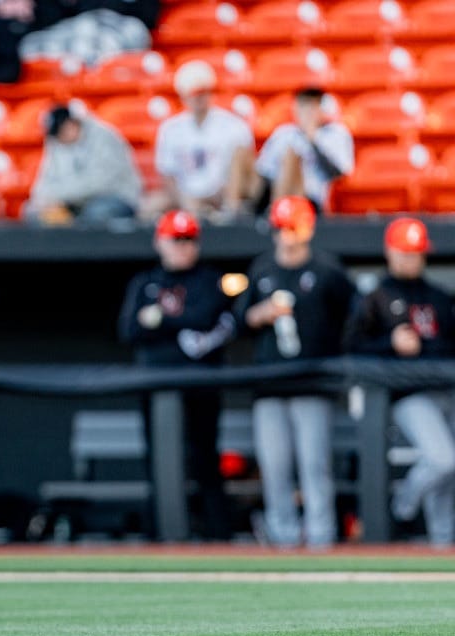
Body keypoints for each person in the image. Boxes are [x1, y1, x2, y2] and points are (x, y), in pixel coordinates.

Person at [235, 195, 357, 549]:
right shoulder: (262, 269)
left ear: (307, 229)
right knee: (274, 466)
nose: (287, 235)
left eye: (293, 227)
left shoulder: (327, 270)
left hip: (313, 382)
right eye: (281, 228)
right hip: (270, 383)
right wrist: (258, 315)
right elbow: (240, 319)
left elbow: (354, 317)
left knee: (314, 464)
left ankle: (320, 536)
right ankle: (282, 536)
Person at [118, 209, 237, 540]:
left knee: (204, 459)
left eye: (189, 240)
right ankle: (159, 535)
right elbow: (129, 330)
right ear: (160, 242)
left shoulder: (209, 279)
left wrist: (159, 320)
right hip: (154, 386)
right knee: (159, 461)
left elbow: (204, 317)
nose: (183, 247)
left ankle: (217, 536)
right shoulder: (145, 282)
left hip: (200, 385)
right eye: (176, 240)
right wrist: (172, 324)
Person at [343, 217, 455, 547]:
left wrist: (422, 345)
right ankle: (401, 507)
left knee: (450, 472)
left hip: (445, 389)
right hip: (405, 393)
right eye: (405, 252)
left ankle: (443, 540)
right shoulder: (375, 295)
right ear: (390, 251)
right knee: (443, 459)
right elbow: (353, 345)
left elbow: (449, 342)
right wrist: (391, 343)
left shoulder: (438, 295)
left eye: (416, 252)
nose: (411, 259)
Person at [142, 59, 255, 224]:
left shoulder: (233, 125)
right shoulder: (170, 129)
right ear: (183, 96)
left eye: (202, 93)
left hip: (224, 196)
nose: (198, 100)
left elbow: (245, 172)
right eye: (193, 95)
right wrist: (185, 202)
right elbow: (167, 176)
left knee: (235, 202)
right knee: (149, 207)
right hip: (184, 197)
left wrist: (219, 197)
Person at [225, 86, 354, 216]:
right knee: (240, 152)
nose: (306, 111)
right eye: (302, 105)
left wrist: (312, 139)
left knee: (291, 156)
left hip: (309, 196)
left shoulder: (335, 133)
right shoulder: (283, 132)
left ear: (321, 109)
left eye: (311, 106)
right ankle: (232, 212)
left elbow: (338, 173)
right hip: (271, 189)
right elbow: (263, 169)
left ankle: (277, 213)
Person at [23, 102, 142, 228]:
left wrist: (59, 196)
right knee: (32, 211)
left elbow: (99, 183)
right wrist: (45, 200)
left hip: (116, 198)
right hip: (73, 203)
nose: (59, 137)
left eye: (61, 131)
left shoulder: (104, 137)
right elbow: (42, 183)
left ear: (72, 124)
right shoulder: (56, 143)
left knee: (95, 214)